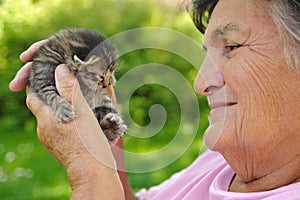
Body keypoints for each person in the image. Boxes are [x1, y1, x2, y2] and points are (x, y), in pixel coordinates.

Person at [9, 0, 300, 199]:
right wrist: (102, 143)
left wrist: (88, 173)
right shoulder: (219, 161)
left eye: (232, 47)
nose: (201, 83)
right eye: (206, 54)